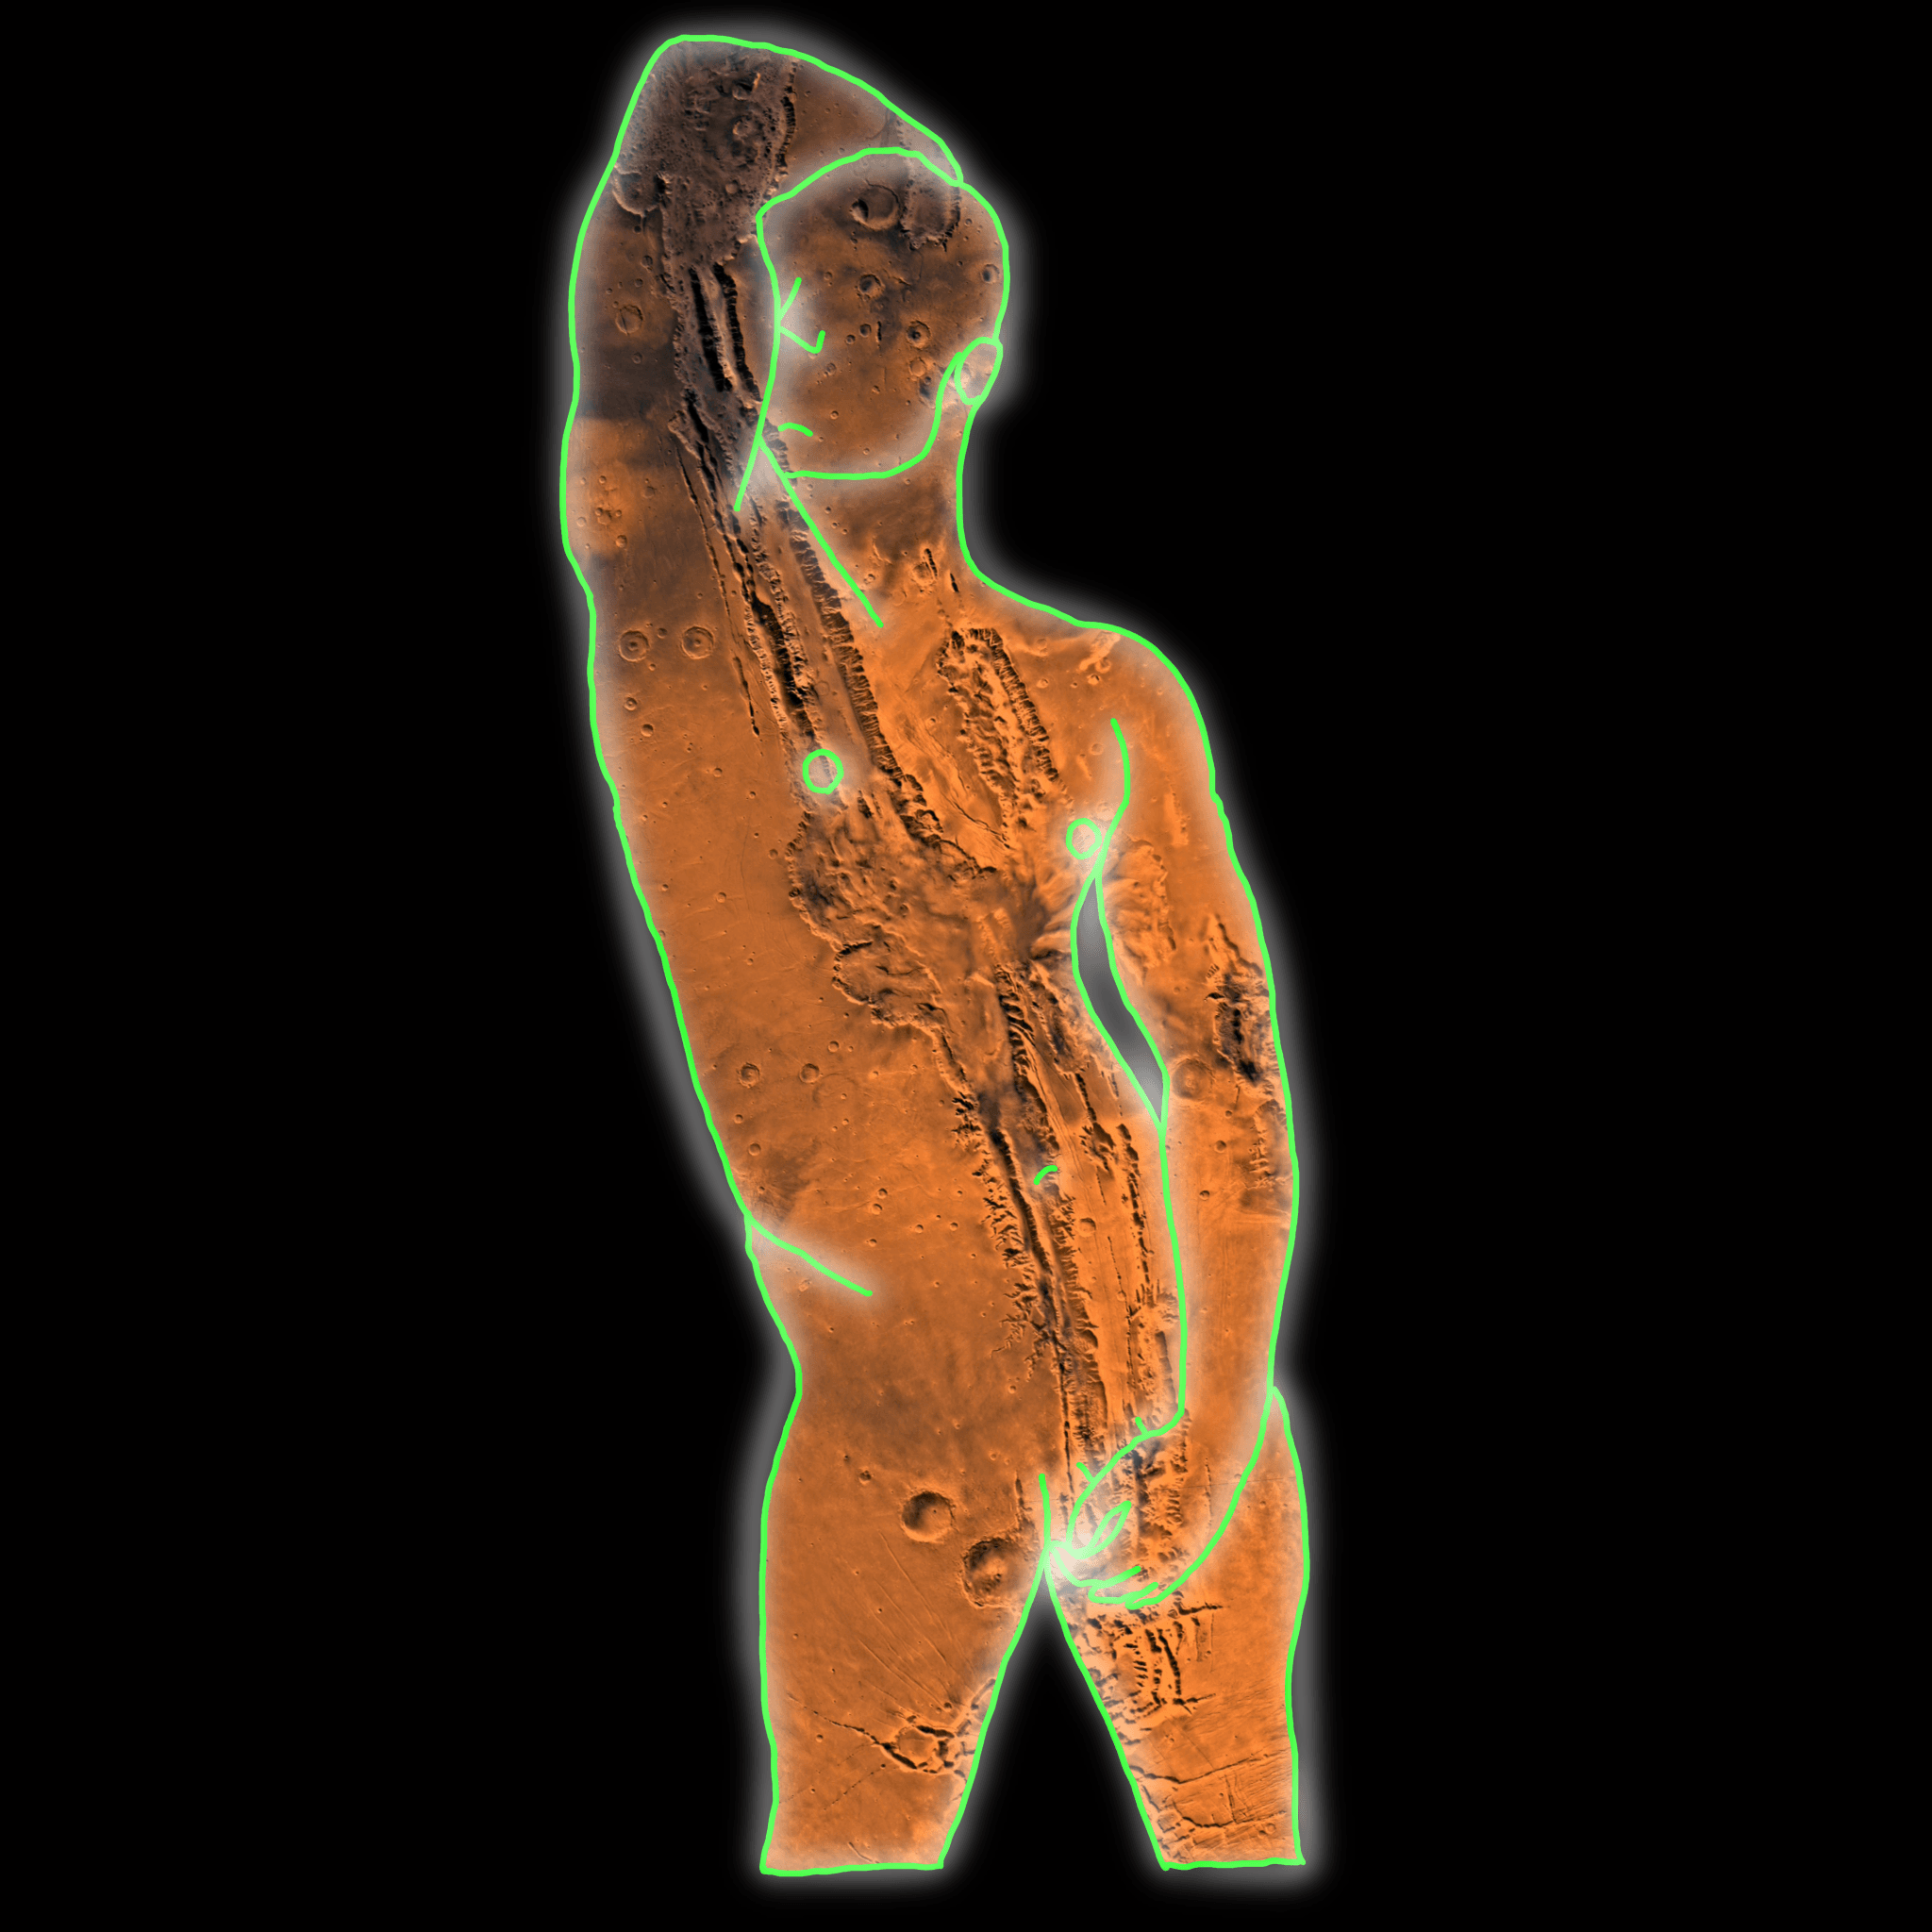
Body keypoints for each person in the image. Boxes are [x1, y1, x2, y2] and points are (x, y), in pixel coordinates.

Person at [563, 35, 1308, 1873]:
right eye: (788, 307)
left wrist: (1217, 1421)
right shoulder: (700, 627)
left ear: (958, 364)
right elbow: (648, 306)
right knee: (851, 1842)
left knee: (1238, 1833)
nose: (798, 349)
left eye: (857, 317)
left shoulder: (1099, 688)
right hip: (901, 1421)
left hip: (1166, 1380)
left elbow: (1222, 1057)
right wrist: (838, 125)